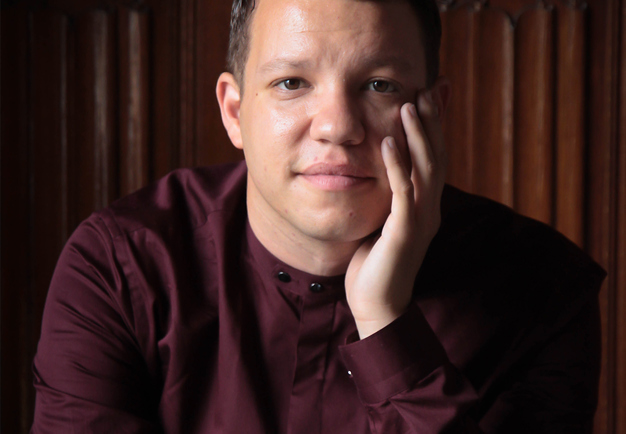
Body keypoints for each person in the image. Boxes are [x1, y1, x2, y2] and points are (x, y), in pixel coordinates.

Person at [31, 0, 605, 432]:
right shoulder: (117, 267)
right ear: (234, 111)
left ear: (434, 112)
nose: (337, 126)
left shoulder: (543, 294)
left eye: (379, 85)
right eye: (291, 82)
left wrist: (386, 324)